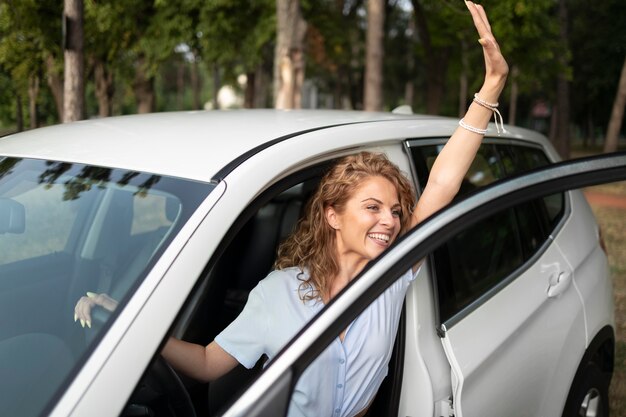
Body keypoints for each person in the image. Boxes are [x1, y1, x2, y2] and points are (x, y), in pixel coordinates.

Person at [74, 2, 508, 416]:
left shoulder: (394, 273)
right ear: (332, 216)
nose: (390, 221)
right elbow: (207, 363)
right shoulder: (278, 292)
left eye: (396, 211)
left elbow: (443, 183)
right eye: (373, 207)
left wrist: (490, 87)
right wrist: (129, 320)